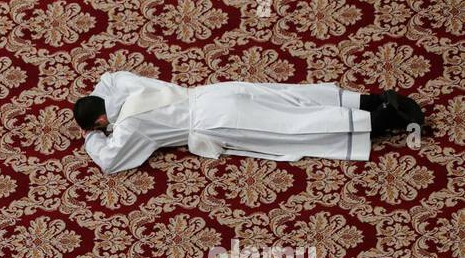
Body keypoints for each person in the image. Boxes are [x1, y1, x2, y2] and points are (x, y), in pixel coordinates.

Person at [73, 72, 425, 173]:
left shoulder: (131, 126)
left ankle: (380, 119)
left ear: (102, 119)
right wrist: (94, 108)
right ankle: (369, 99)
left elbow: (111, 160)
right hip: (213, 93)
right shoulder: (126, 86)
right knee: (291, 98)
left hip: (214, 121)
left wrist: (92, 136)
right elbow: (108, 80)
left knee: (290, 129)